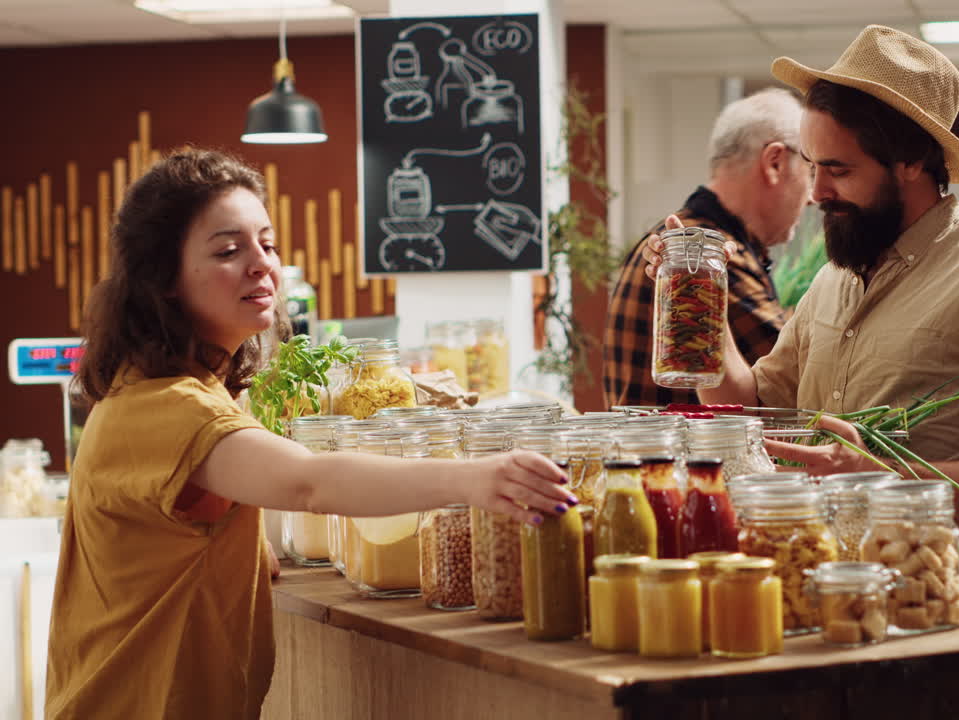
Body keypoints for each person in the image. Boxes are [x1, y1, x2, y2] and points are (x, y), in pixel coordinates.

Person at [44, 149, 576, 719]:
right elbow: (308, 483)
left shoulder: (164, 393)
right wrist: (476, 479)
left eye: (267, 244)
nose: (261, 264)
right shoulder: (165, 407)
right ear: (164, 280)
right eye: (229, 250)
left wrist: (243, 550)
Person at [646, 25, 959, 678]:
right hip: (828, 613)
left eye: (838, 170)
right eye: (812, 167)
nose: (816, 192)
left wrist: (876, 478)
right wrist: (698, 300)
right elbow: (748, 404)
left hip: (942, 625)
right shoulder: (834, 279)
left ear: (910, 162)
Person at [603, 87, 814, 409]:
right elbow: (800, 373)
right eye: (811, 171)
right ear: (775, 163)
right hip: (681, 457)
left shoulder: (680, 238)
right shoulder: (701, 255)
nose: (813, 196)